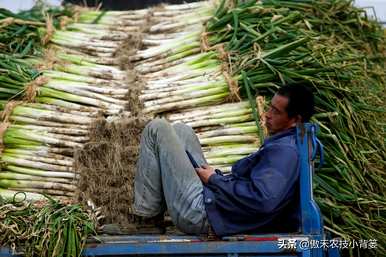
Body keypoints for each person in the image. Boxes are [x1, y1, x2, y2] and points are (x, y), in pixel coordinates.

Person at [133, 84, 314, 236]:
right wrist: (218, 178)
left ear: (295, 120)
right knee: (182, 131)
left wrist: (215, 180)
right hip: (217, 206)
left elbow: (263, 200)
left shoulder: (284, 152)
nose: (267, 114)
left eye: (276, 111)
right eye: (270, 107)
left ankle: (146, 220)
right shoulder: (290, 142)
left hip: (203, 214)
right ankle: (156, 213)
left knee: (156, 128)